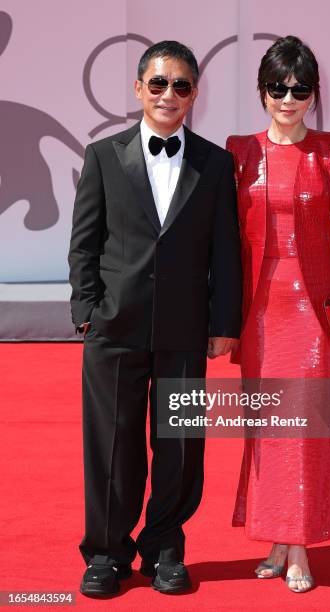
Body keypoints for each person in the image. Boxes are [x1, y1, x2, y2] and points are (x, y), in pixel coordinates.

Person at [68, 40, 242, 597]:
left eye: (182, 85)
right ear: (139, 88)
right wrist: (87, 313)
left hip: (186, 328)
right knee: (112, 445)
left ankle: (165, 546)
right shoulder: (102, 155)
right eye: (159, 83)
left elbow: (225, 251)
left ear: (195, 94)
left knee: (181, 443)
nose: (170, 94)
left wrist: (224, 323)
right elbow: (84, 244)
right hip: (114, 328)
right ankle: (106, 553)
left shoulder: (215, 163)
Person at [226, 35, 330, 593]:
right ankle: (277, 537)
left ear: (314, 95)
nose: (287, 99)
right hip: (258, 315)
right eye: (277, 88)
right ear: (262, 91)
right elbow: (225, 243)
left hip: (313, 314)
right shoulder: (239, 151)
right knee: (268, 430)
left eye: (300, 90)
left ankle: (299, 551)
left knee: (306, 429)